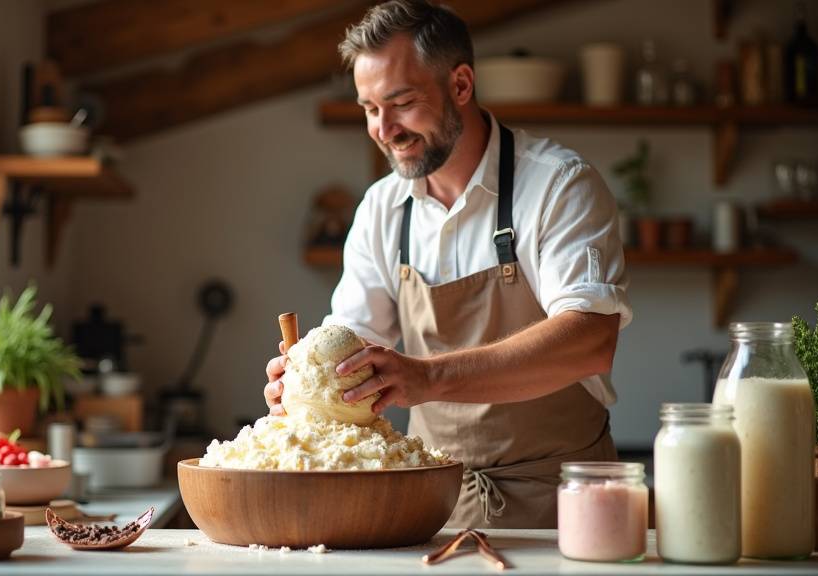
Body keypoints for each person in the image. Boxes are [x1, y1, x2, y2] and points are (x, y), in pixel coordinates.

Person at [264, 0, 631, 529]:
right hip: (431, 506)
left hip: (567, 502)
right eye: (369, 108)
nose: (384, 129)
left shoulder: (558, 184)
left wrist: (428, 377)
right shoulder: (382, 210)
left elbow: (591, 339)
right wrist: (307, 384)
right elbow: (354, 351)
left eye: (402, 102)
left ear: (460, 85)